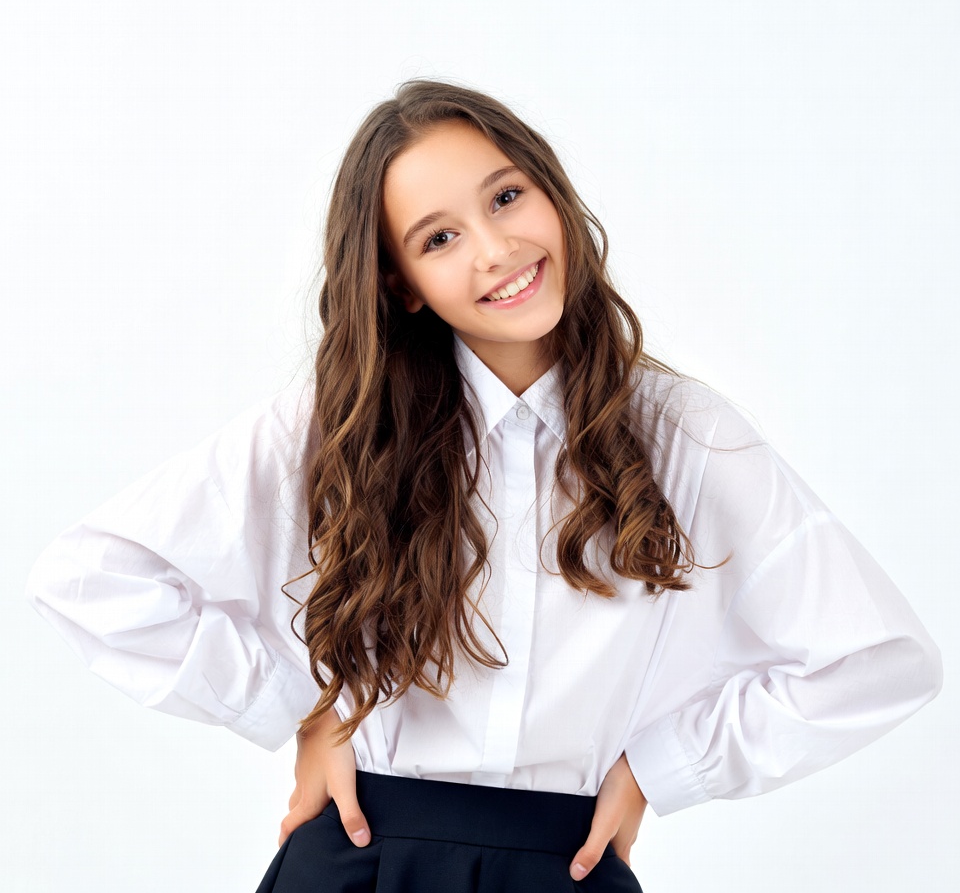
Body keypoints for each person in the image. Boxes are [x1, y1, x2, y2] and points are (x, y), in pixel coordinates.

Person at [27, 80, 942, 893]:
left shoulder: (683, 434)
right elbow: (91, 578)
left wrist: (663, 768)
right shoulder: (340, 425)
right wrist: (296, 715)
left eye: (507, 196)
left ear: (552, 190)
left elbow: (877, 658)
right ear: (404, 283)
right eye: (439, 237)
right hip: (359, 859)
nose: (497, 248)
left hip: (565, 864)